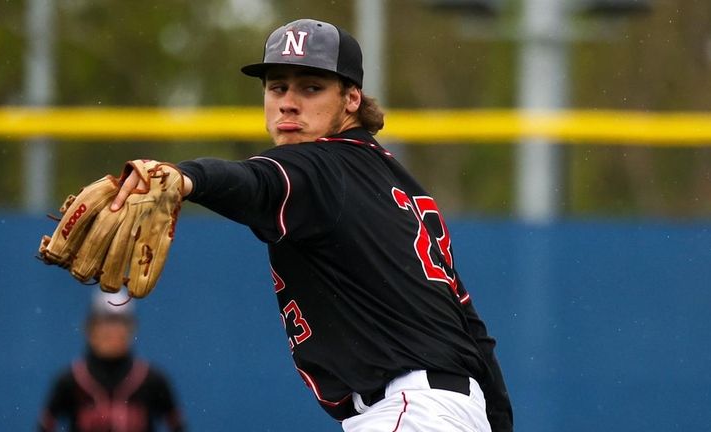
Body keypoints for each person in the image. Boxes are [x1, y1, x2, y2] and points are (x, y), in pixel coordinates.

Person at [111, 18, 512, 432]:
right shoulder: (394, 183)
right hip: (447, 410)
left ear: (351, 98)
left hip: (412, 411)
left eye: (311, 88)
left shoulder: (321, 166)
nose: (288, 102)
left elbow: (256, 182)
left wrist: (184, 178)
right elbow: (472, 331)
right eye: (277, 86)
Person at [38, 292, 186, 432]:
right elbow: (44, 427)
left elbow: (178, 427)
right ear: (89, 329)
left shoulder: (152, 380)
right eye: (104, 323)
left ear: (132, 329)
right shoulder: (70, 380)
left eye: (120, 324)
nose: (112, 331)